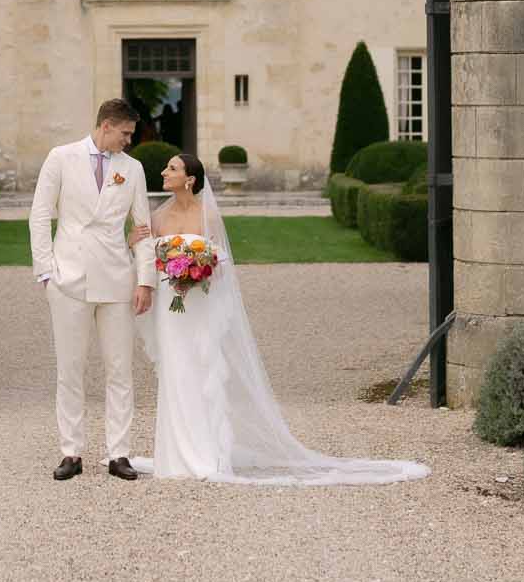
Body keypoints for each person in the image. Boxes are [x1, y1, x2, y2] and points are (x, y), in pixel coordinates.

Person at [129, 151, 429, 485]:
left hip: (199, 307)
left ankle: (203, 451)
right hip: (171, 311)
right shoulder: (158, 217)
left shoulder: (207, 215)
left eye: (172, 168)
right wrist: (138, 247)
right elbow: (143, 255)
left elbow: (220, 262)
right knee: (175, 371)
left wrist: (198, 271)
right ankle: (173, 456)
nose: (164, 172)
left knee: (202, 370)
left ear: (190, 179)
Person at [27, 98, 156, 481]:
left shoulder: (131, 169)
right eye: (126, 133)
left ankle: (119, 453)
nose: (129, 141)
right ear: (106, 126)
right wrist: (46, 270)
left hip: (117, 277)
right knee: (70, 368)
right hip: (67, 278)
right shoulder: (61, 157)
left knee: (120, 369)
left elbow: (143, 226)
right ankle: (71, 452)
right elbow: (39, 214)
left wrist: (145, 279)